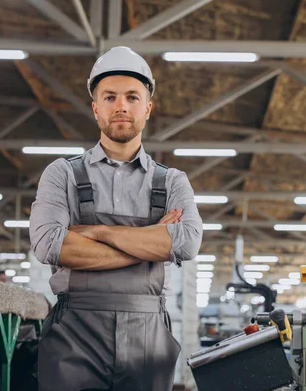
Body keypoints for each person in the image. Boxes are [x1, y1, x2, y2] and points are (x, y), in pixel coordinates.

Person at [29, 46, 203, 390]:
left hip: (149, 335)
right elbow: (50, 243)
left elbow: (186, 242)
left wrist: (95, 231)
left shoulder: (171, 181)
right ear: (96, 109)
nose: (121, 106)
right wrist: (152, 240)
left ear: (147, 108)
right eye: (109, 97)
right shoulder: (62, 174)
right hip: (74, 331)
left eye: (132, 97)